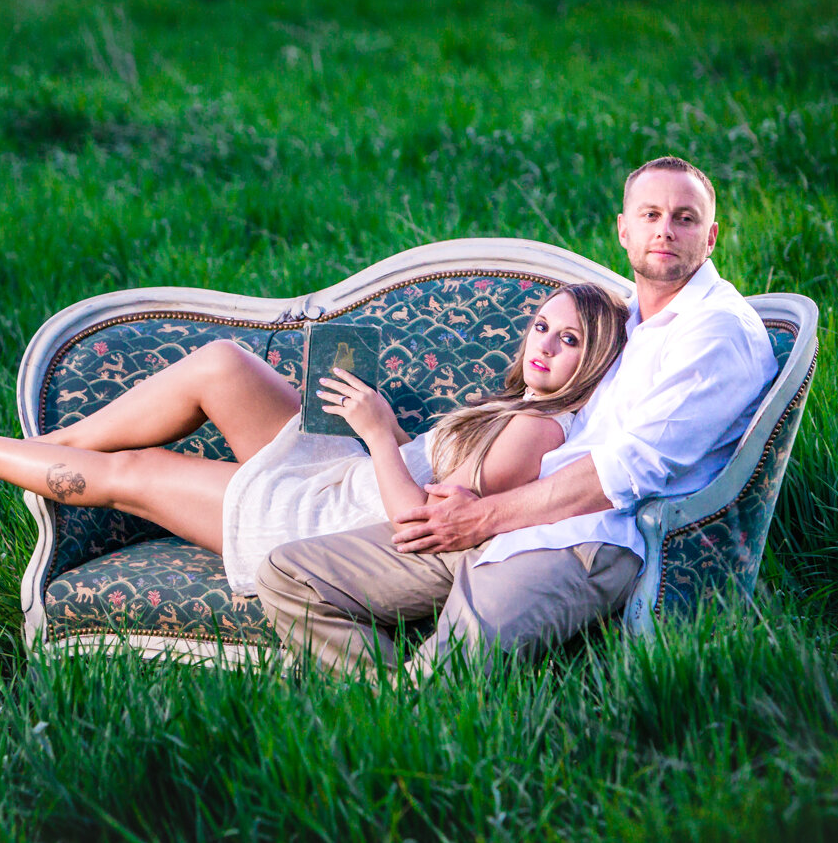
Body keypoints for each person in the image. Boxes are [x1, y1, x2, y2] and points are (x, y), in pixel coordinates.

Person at [253, 156, 780, 678]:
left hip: (583, 541)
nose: (665, 230)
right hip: (508, 520)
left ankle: (404, 714)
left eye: (684, 218)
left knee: (447, 674)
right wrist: (477, 503)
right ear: (623, 230)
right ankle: (385, 698)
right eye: (650, 215)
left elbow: (626, 472)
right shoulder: (630, 319)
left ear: (710, 237)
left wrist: (484, 516)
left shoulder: (714, 332)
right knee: (287, 576)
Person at [0, 284, 628, 592]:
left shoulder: (535, 430)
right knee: (222, 366)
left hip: (328, 521)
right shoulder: (520, 407)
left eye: (570, 341)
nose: (545, 347)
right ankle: (49, 452)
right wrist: (384, 431)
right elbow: (430, 472)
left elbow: (420, 528)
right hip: (343, 474)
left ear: (592, 361)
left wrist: (376, 434)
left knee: (140, 471)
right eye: (541, 327)